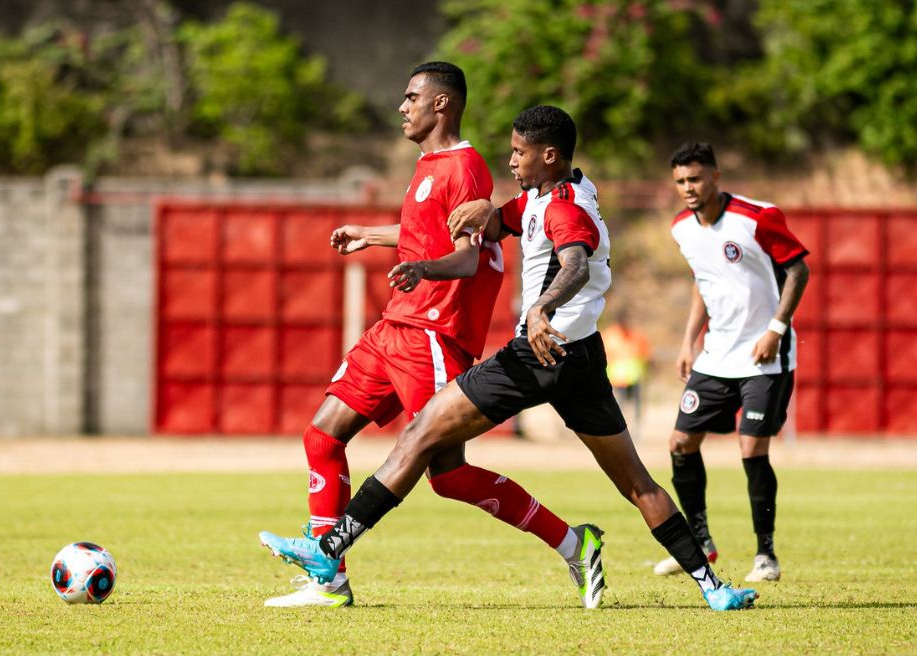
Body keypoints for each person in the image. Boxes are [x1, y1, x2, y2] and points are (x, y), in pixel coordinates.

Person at [259, 106, 759, 611]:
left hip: (535, 355)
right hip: (581, 357)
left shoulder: (565, 208)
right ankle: (713, 589)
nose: (511, 159)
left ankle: (329, 550)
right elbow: (505, 222)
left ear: (549, 155)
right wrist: (485, 215)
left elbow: (576, 264)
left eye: (520, 152)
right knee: (635, 482)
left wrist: (541, 307)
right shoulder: (553, 194)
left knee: (420, 435)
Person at [264, 64, 588, 608]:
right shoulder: (428, 167)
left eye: (411, 97)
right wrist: (369, 235)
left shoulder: (465, 169)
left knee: (447, 474)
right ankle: (330, 577)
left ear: (441, 105)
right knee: (321, 436)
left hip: (434, 335)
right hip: (395, 325)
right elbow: (424, 233)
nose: (402, 107)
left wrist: (423, 271)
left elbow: (467, 257)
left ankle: (571, 541)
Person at [652, 142, 810, 584]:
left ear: (716, 178)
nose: (688, 187)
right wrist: (688, 341)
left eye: (696, 179)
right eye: (681, 181)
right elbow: (703, 282)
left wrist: (775, 330)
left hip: (765, 357)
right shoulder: (682, 228)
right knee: (681, 443)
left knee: (751, 448)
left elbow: (798, 271)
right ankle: (701, 543)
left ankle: (766, 555)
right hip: (716, 356)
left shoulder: (757, 217)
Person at [601, 314, 651, 441]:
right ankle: (619, 432)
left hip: (635, 377)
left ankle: (636, 432)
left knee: (636, 407)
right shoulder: (609, 336)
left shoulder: (636, 336)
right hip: (617, 379)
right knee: (619, 407)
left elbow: (645, 354)